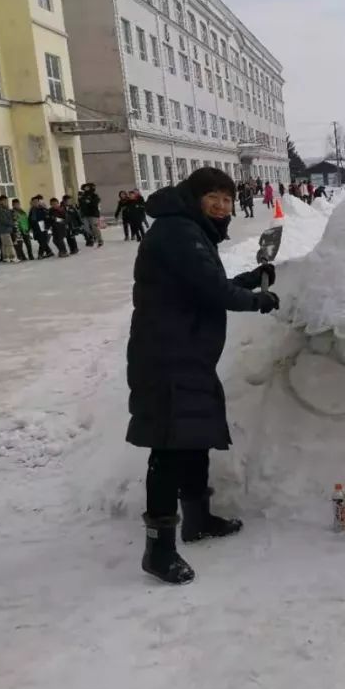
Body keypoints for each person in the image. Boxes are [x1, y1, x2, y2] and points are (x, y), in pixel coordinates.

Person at [127, 167, 280, 585]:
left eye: (227, 199)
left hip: (186, 352)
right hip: (166, 355)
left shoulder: (189, 231)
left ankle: (197, 519)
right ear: (194, 196)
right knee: (168, 447)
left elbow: (203, 284)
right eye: (213, 195)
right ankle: (159, 550)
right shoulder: (177, 232)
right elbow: (213, 292)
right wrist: (258, 300)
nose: (221, 205)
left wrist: (247, 281)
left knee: (191, 435)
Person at [78, 183, 104, 247]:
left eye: (87, 187)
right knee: (85, 228)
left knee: (94, 227)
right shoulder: (82, 195)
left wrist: (89, 202)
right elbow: (81, 204)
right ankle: (93, 236)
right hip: (84, 214)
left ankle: (100, 239)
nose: (86, 188)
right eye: (85, 187)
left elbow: (96, 204)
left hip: (93, 214)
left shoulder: (95, 195)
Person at [0, 195, 16, 262]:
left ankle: (5, 257)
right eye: (5, 201)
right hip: (3, 229)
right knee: (9, 244)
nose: (6, 202)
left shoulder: (5, 208)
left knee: (5, 245)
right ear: (1, 201)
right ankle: (13, 257)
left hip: (6, 229)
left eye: (7, 201)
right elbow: (3, 220)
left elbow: (10, 217)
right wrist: (12, 224)